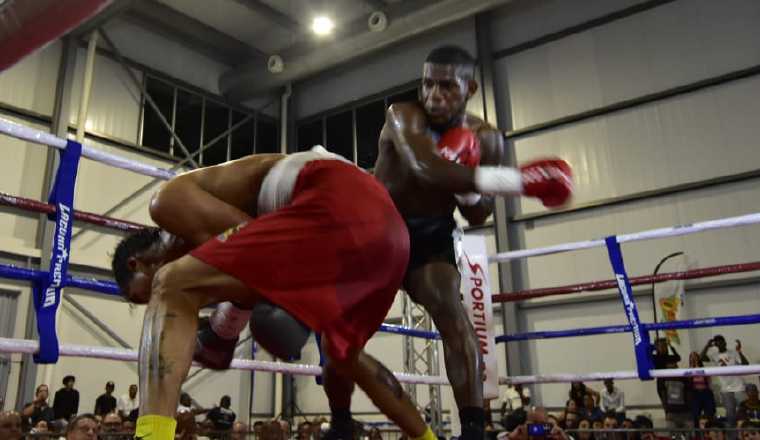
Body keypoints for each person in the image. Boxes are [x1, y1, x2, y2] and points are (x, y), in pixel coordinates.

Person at [111, 149, 445, 440]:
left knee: (171, 283)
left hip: (336, 199)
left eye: (142, 297)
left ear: (135, 262)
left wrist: (225, 326)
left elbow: (257, 250)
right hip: (388, 240)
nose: (152, 309)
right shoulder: (212, 251)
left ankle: (151, 435)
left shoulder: (168, 202)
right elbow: (260, 257)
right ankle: (427, 437)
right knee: (344, 354)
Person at [335, 44, 573, 440]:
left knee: (452, 312)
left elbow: (479, 216)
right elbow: (425, 168)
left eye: (446, 86)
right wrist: (516, 181)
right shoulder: (403, 115)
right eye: (428, 84)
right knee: (341, 327)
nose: (433, 95)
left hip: (431, 233)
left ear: (471, 88)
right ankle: (340, 422)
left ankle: (474, 430)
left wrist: (468, 191)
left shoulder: (488, 138)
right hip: (378, 228)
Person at [701, 336, 750, 432]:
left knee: (744, 412)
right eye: (717, 343)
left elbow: (746, 364)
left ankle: (746, 434)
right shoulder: (714, 355)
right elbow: (702, 357)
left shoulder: (733, 352)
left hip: (739, 387)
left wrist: (739, 352)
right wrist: (707, 345)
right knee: (730, 415)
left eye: (721, 342)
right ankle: (732, 436)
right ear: (715, 345)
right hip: (726, 389)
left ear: (725, 342)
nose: (720, 344)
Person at [689, 352, 717, 425]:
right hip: (695, 393)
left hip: (705, 392)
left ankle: (710, 430)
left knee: (709, 413)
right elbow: (688, 382)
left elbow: (709, 381)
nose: (693, 358)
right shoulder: (688, 370)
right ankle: (698, 434)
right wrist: (692, 367)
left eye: (695, 356)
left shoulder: (704, 368)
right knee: (695, 414)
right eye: (691, 357)